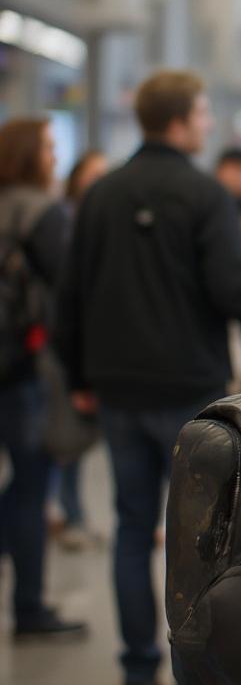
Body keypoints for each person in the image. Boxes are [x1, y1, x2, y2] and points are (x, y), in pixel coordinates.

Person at [56, 70, 241, 685]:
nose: (205, 123)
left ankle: (137, 668)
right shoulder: (203, 196)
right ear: (178, 121)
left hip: (117, 388)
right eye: (200, 113)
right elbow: (228, 288)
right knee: (199, 537)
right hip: (187, 388)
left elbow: (73, 295)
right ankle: (192, 675)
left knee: (131, 524)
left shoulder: (102, 194)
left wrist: (82, 377)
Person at [0, 118, 87, 639]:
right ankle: (29, 608)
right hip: (23, 366)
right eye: (49, 148)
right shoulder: (40, 212)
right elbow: (68, 292)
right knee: (34, 485)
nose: (55, 157)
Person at [48, 150, 109, 551]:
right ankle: (65, 513)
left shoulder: (98, 222)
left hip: (79, 347)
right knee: (63, 437)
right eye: (93, 176)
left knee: (74, 440)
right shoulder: (63, 221)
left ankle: (70, 512)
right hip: (56, 348)